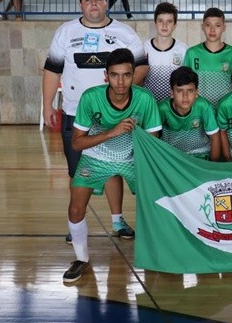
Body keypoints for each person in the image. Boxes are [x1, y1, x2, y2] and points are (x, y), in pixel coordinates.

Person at [42, 0, 148, 245]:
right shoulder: (66, 32)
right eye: (87, 0)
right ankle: (76, 221)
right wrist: (47, 105)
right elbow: (52, 70)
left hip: (114, 117)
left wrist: (122, 96)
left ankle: (117, 220)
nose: (93, 4)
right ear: (80, 5)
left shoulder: (124, 32)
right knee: (78, 172)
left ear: (106, 4)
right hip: (74, 114)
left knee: (112, 168)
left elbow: (142, 67)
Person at [62, 48, 162, 283]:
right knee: (75, 209)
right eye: (115, 75)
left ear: (133, 74)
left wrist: (148, 172)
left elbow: (153, 141)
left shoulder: (144, 99)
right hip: (96, 157)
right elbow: (76, 143)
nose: (120, 81)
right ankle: (81, 259)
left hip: (132, 159)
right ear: (106, 76)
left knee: (158, 202)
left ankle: (160, 253)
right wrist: (112, 132)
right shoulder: (91, 97)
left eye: (126, 75)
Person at [158, 66, 220, 161]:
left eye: (190, 91)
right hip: (171, 157)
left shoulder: (204, 106)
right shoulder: (162, 109)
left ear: (196, 92)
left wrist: (212, 167)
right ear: (171, 92)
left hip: (201, 156)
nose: (185, 97)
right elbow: (152, 139)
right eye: (179, 91)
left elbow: (214, 138)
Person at [183, 7, 232, 107]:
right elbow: (185, 84)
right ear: (202, 27)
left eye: (217, 25)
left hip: (224, 109)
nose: (212, 30)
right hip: (199, 109)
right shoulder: (192, 53)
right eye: (208, 25)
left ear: (224, 27)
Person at [144, 2, 188, 101]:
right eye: (160, 21)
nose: (164, 25)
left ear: (175, 25)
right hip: (150, 106)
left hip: (173, 108)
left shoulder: (183, 49)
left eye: (169, 21)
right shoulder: (144, 48)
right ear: (155, 23)